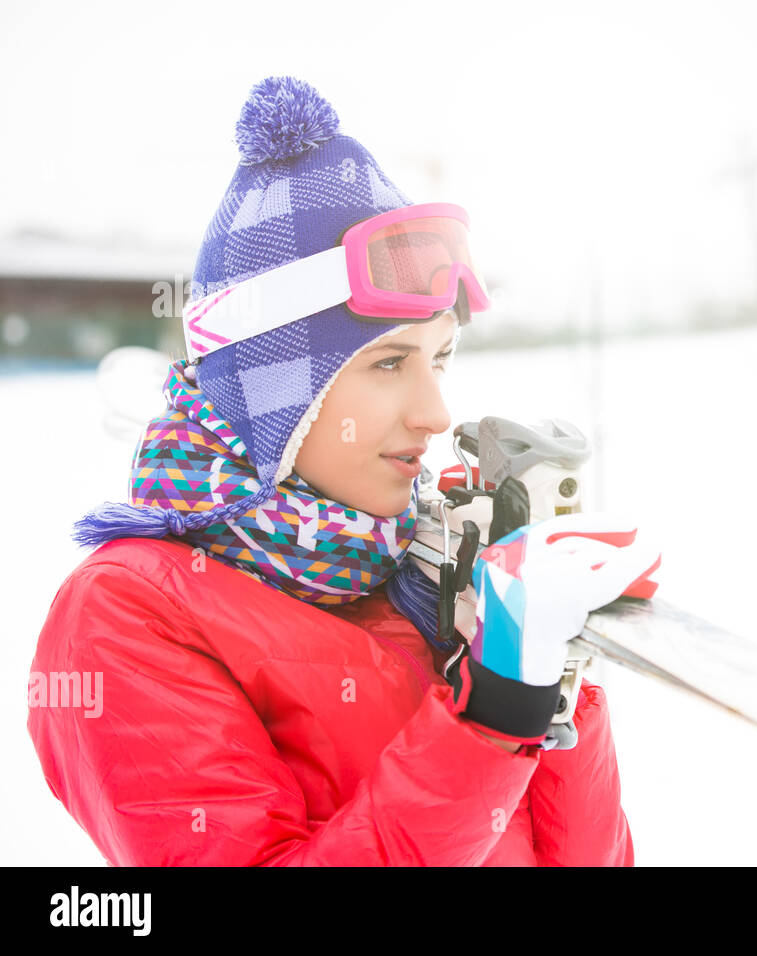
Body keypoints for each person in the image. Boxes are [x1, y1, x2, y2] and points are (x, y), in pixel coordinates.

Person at [26, 76, 658, 866]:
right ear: (271, 396)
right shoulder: (128, 613)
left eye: (441, 360)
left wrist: (549, 686)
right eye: (389, 363)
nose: (434, 413)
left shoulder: (418, 570)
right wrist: (490, 713)